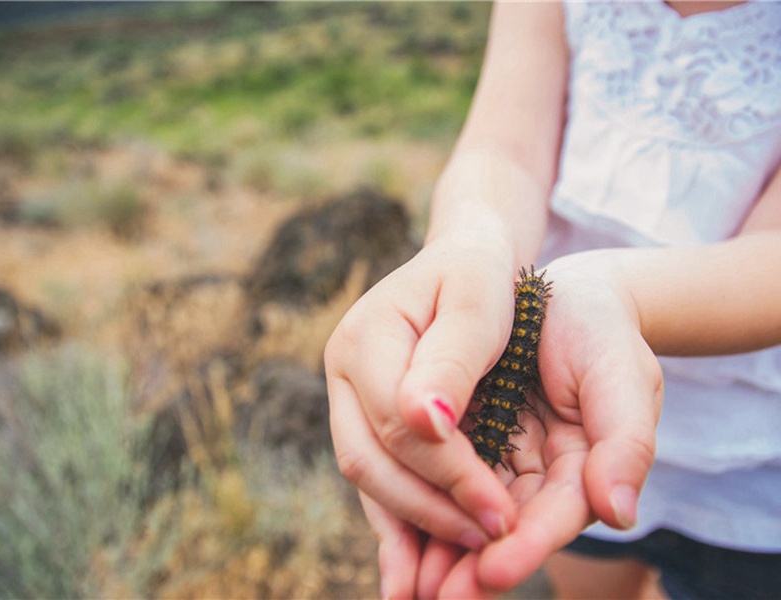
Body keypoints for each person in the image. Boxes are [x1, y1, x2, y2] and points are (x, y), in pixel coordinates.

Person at [324, 1, 781, 598]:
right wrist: (472, 241)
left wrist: (619, 293)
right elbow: (505, 150)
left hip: (750, 471)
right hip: (569, 429)